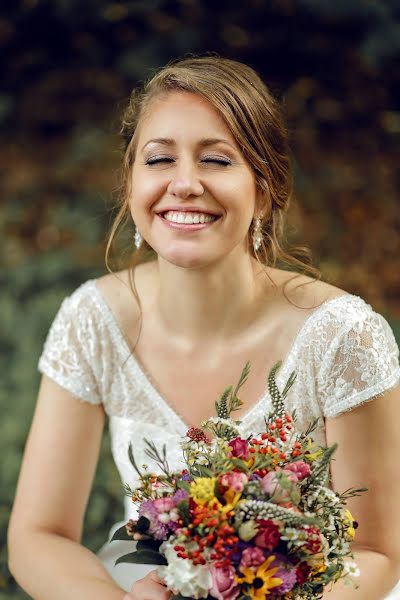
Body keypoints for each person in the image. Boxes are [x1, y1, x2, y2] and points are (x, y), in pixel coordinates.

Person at [7, 55, 400, 600]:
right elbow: (37, 534)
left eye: (216, 160)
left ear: (264, 189)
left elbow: (375, 552)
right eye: (160, 159)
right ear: (130, 183)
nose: (185, 184)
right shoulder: (92, 320)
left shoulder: (342, 337)